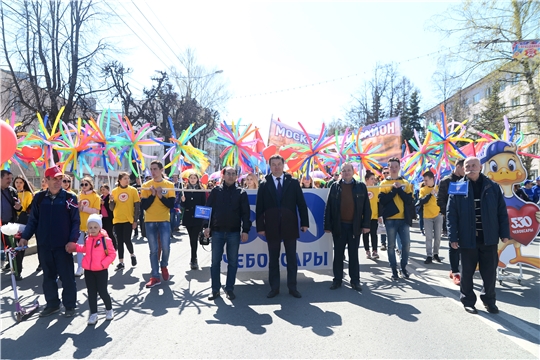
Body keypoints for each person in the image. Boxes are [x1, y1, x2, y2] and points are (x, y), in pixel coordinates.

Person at [447, 157, 510, 314]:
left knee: (489, 273)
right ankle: (468, 300)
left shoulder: (492, 187)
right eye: (467, 166)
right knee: (467, 273)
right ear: (463, 169)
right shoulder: (457, 187)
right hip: (467, 238)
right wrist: (452, 237)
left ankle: (489, 301)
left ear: (481, 167)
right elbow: (451, 214)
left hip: (488, 238)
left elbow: (502, 212)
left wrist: (504, 233)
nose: (470, 168)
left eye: (474, 165)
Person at [18, 165, 80, 317]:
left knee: (67, 277)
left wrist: (73, 241)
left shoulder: (69, 198)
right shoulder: (39, 198)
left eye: (60, 179)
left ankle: (69, 305)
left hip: (63, 246)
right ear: (46, 180)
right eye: (55, 179)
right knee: (48, 276)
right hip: (45, 245)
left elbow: (75, 222)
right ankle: (52, 304)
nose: (58, 182)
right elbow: (33, 221)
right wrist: (25, 237)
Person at [256, 154, 309, 299]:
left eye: (279, 164)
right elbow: (259, 208)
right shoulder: (264, 184)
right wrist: (260, 227)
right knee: (273, 260)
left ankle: (292, 287)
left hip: (290, 226)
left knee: (292, 259)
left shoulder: (293, 182)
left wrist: (305, 222)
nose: (276, 167)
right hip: (271, 227)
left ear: (283, 165)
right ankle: (274, 288)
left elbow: (301, 204)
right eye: (273, 164)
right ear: (270, 166)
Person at [203, 167, 251, 301]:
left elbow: (246, 214)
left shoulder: (241, 193)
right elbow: (207, 209)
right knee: (215, 263)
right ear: (223, 176)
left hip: (234, 232)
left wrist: (245, 230)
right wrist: (205, 227)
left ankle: (229, 288)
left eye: (233, 174)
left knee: (233, 262)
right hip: (217, 232)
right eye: (228, 174)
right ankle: (215, 290)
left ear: (237, 176)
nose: (230, 176)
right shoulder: (215, 191)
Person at [324, 163, 370, 291]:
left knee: (353, 254)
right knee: (338, 254)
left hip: (354, 226)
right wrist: (327, 225)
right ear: (341, 173)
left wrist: (366, 225)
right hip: (339, 226)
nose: (346, 173)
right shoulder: (335, 187)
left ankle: (355, 281)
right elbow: (328, 208)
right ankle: (337, 280)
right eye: (344, 171)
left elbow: (366, 207)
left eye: (348, 170)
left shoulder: (361, 187)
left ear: (353, 171)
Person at [65, 214, 116, 325]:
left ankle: (109, 309)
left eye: (95, 227)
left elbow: (112, 254)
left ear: (100, 228)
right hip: (89, 271)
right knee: (91, 293)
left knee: (103, 292)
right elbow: (85, 249)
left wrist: (103, 264)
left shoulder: (105, 240)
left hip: (101, 271)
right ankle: (93, 314)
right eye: (90, 227)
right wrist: (75, 247)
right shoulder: (87, 239)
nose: (92, 229)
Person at [140, 160, 175, 288]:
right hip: (149, 220)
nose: (153, 172)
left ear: (161, 170)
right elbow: (144, 206)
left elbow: (171, 205)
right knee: (153, 250)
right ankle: (155, 276)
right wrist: (152, 195)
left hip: (164, 220)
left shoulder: (169, 185)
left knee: (166, 247)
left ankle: (164, 265)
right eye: (151, 169)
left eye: (155, 169)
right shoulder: (146, 185)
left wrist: (160, 196)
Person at [379, 157, 414, 280]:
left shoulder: (406, 183)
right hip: (390, 219)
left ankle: (403, 268)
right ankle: (393, 269)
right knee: (391, 246)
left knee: (406, 245)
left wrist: (399, 190)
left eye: (396, 167)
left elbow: (409, 200)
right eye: (391, 167)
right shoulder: (384, 183)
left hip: (403, 219)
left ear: (399, 168)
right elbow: (382, 200)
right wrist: (394, 190)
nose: (393, 169)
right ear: (388, 168)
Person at [437, 158, 465, 285]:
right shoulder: (446, 181)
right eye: (465, 167)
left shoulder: (468, 181)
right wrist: (449, 213)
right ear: (458, 167)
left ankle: (460, 269)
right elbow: (440, 200)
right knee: (453, 244)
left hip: (466, 218)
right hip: (452, 218)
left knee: (464, 246)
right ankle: (455, 271)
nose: (467, 170)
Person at [110, 172, 140, 271]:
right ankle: (121, 262)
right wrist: (111, 201)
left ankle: (132, 254)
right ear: (119, 180)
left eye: (128, 178)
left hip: (128, 219)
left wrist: (135, 220)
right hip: (117, 219)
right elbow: (111, 208)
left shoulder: (133, 190)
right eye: (125, 178)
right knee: (119, 241)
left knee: (127, 239)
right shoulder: (114, 191)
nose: (127, 180)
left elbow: (137, 206)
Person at [75, 176, 101, 277]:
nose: (84, 186)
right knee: (80, 247)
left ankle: (93, 265)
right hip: (80, 225)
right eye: (82, 184)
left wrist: (83, 208)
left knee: (92, 247)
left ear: (91, 185)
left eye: (86, 184)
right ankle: (80, 267)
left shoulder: (96, 197)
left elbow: (96, 211)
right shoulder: (79, 196)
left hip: (92, 227)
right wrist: (78, 208)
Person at [181, 171, 206, 270]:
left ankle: (193, 258)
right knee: (191, 238)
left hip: (197, 217)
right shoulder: (185, 190)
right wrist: (183, 201)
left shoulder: (201, 190)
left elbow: (204, 203)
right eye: (191, 178)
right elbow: (182, 205)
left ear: (197, 179)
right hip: (188, 217)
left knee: (194, 238)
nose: (192, 179)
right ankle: (193, 256)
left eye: (194, 178)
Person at [417, 171, 443, 264]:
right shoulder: (423, 190)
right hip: (427, 216)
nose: (425, 182)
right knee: (428, 237)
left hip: (438, 215)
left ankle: (436, 253)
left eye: (426, 180)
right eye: (424, 180)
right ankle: (429, 255)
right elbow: (421, 201)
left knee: (437, 236)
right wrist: (430, 194)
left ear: (432, 179)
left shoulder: (438, 188)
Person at [1, 170, 23, 278]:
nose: (10, 181)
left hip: (10, 226)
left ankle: (17, 272)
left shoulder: (12, 191)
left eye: (11, 178)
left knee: (14, 248)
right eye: (7, 179)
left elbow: (19, 206)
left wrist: (19, 207)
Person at [362, 171, 380, 259]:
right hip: (364, 217)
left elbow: (378, 203)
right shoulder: (362, 189)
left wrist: (379, 215)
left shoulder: (377, 189)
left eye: (374, 179)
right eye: (371, 179)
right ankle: (367, 251)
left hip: (374, 215)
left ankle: (375, 251)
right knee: (365, 235)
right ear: (366, 180)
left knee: (374, 234)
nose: (373, 180)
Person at [99, 184, 117, 250]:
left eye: (104, 189)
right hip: (102, 217)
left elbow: (111, 207)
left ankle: (114, 246)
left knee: (110, 232)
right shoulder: (101, 197)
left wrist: (105, 203)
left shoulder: (110, 196)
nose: (102, 191)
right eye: (101, 190)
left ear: (107, 189)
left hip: (109, 218)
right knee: (103, 233)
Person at [379, 167, 390, 250]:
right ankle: (383, 243)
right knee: (383, 228)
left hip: (391, 209)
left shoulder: (393, 182)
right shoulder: (380, 184)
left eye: (387, 172)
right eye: (384, 173)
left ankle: (392, 244)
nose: (386, 174)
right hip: (383, 209)